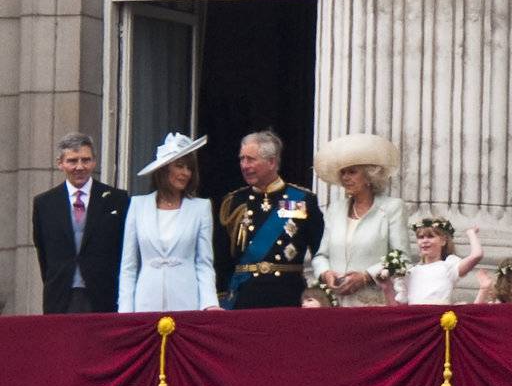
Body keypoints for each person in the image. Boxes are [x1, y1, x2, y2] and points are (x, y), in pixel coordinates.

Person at [215, 130, 326, 308]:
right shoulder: (234, 202)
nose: (244, 165)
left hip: (288, 297)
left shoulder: (302, 199)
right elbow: (222, 259)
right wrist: (220, 298)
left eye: (250, 159)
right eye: (242, 159)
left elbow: (320, 251)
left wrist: (320, 296)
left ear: (272, 162)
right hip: (244, 299)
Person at [118, 133, 219, 312]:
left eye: (189, 168)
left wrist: (210, 304)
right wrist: (125, 310)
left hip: (187, 302)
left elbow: (204, 263)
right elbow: (129, 265)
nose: (185, 173)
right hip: (145, 303)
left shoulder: (201, 208)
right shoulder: (138, 205)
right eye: (179, 166)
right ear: (164, 169)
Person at [32, 132, 130, 313]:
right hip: (60, 296)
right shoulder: (44, 203)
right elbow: (43, 253)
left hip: (104, 295)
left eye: (85, 160)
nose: (79, 166)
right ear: (60, 163)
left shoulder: (117, 199)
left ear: (94, 162)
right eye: (72, 161)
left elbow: (124, 249)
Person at [310, 133, 409, 307]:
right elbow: (320, 256)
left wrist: (366, 276)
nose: (345, 177)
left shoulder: (392, 208)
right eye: (343, 173)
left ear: (369, 176)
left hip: (374, 302)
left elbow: (402, 258)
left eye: (352, 172)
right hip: (335, 303)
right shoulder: (335, 209)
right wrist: (326, 273)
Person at [394, 218, 483, 304]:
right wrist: (387, 287)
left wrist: (471, 234)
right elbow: (399, 308)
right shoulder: (411, 272)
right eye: (421, 237)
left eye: (430, 236)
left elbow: (476, 255)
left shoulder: (448, 266)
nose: (425, 241)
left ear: (443, 241)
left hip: (438, 317)